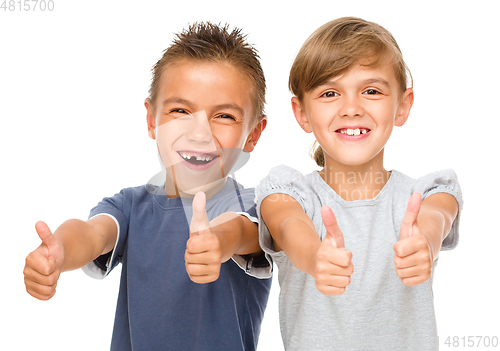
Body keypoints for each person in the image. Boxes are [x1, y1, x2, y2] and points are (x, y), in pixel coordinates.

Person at [23, 22, 272, 351]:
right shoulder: (129, 207)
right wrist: (61, 253)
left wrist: (218, 242)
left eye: (224, 116)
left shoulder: (256, 206)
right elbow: (92, 233)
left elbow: (242, 232)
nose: (199, 133)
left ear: (253, 134)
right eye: (180, 110)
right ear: (152, 120)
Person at [256, 17, 462, 350]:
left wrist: (425, 241)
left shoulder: (423, 195)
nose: (351, 108)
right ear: (302, 113)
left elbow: (438, 215)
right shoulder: (289, 194)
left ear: (403, 105)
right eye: (330, 93)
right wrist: (315, 257)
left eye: (371, 91)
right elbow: (288, 226)